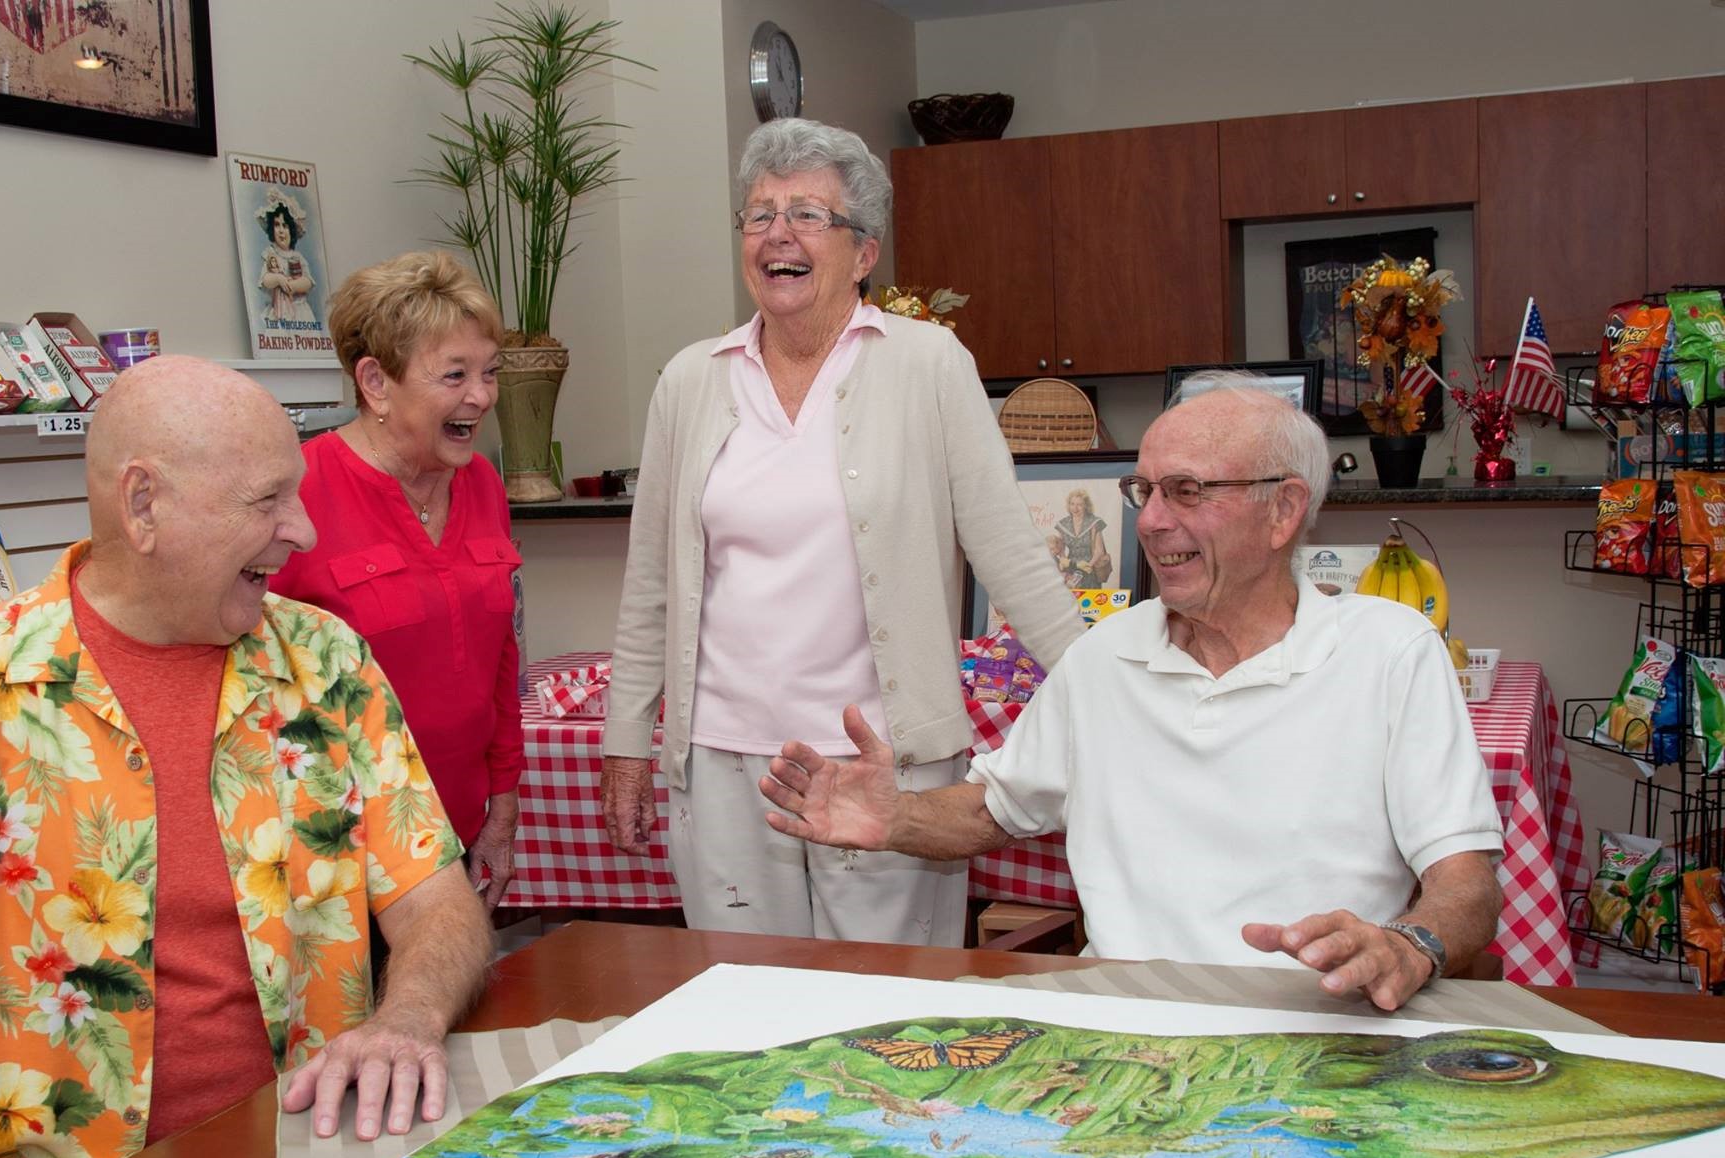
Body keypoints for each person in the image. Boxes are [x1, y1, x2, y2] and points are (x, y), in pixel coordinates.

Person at [0, 356, 493, 1158]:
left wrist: (408, 1016)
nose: (302, 529)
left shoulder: (326, 663)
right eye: (266, 500)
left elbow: (439, 903)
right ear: (144, 505)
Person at [759, 378, 1503, 1011]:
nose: (1149, 520)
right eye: (1144, 490)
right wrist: (898, 814)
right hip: (1126, 1034)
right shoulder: (1106, 656)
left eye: (1188, 491)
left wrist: (1410, 946)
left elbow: (1465, 883)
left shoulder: (1391, 651)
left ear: (1283, 511)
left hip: (1322, 1029)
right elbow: (993, 807)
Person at [600, 118, 1084, 947]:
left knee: (892, 1009)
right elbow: (652, 582)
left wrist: (1110, 691)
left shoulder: (929, 363)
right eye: (760, 214)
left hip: (883, 764)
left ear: (864, 253)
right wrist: (625, 745)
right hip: (721, 761)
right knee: (748, 1000)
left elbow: (1009, 553)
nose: (778, 234)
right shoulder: (690, 379)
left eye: (808, 214)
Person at [269, 251, 524, 906]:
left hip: (456, 837)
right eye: (456, 375)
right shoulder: (297, 492)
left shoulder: (484, 485)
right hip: (332, 852)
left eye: (490, 372)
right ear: (376, 382)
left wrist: (502, 804)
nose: (482, 396)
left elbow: (499, 655)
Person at [256, 192, 317, 327]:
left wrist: (293, 286)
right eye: (277, 225)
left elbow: (308, 281)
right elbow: (265, 280)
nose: (281, 231)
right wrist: (278, 279)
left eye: (285, 226)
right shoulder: (271, 254)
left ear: (292, 231)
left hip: (300, 312)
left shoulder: (297, 257)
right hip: (279, 312)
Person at [1048, 487, 1112, 589]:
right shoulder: (1063, 524)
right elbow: (1060, 547)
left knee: (1090, 601)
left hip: (1090, 569)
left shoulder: (1094, 522)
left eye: (1079, 505)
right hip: (1071, 570)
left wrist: (1088, 566)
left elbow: (1099, 551)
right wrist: (1064, 561)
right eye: (1072, 504)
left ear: (1086, 506)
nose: (1075, 508)